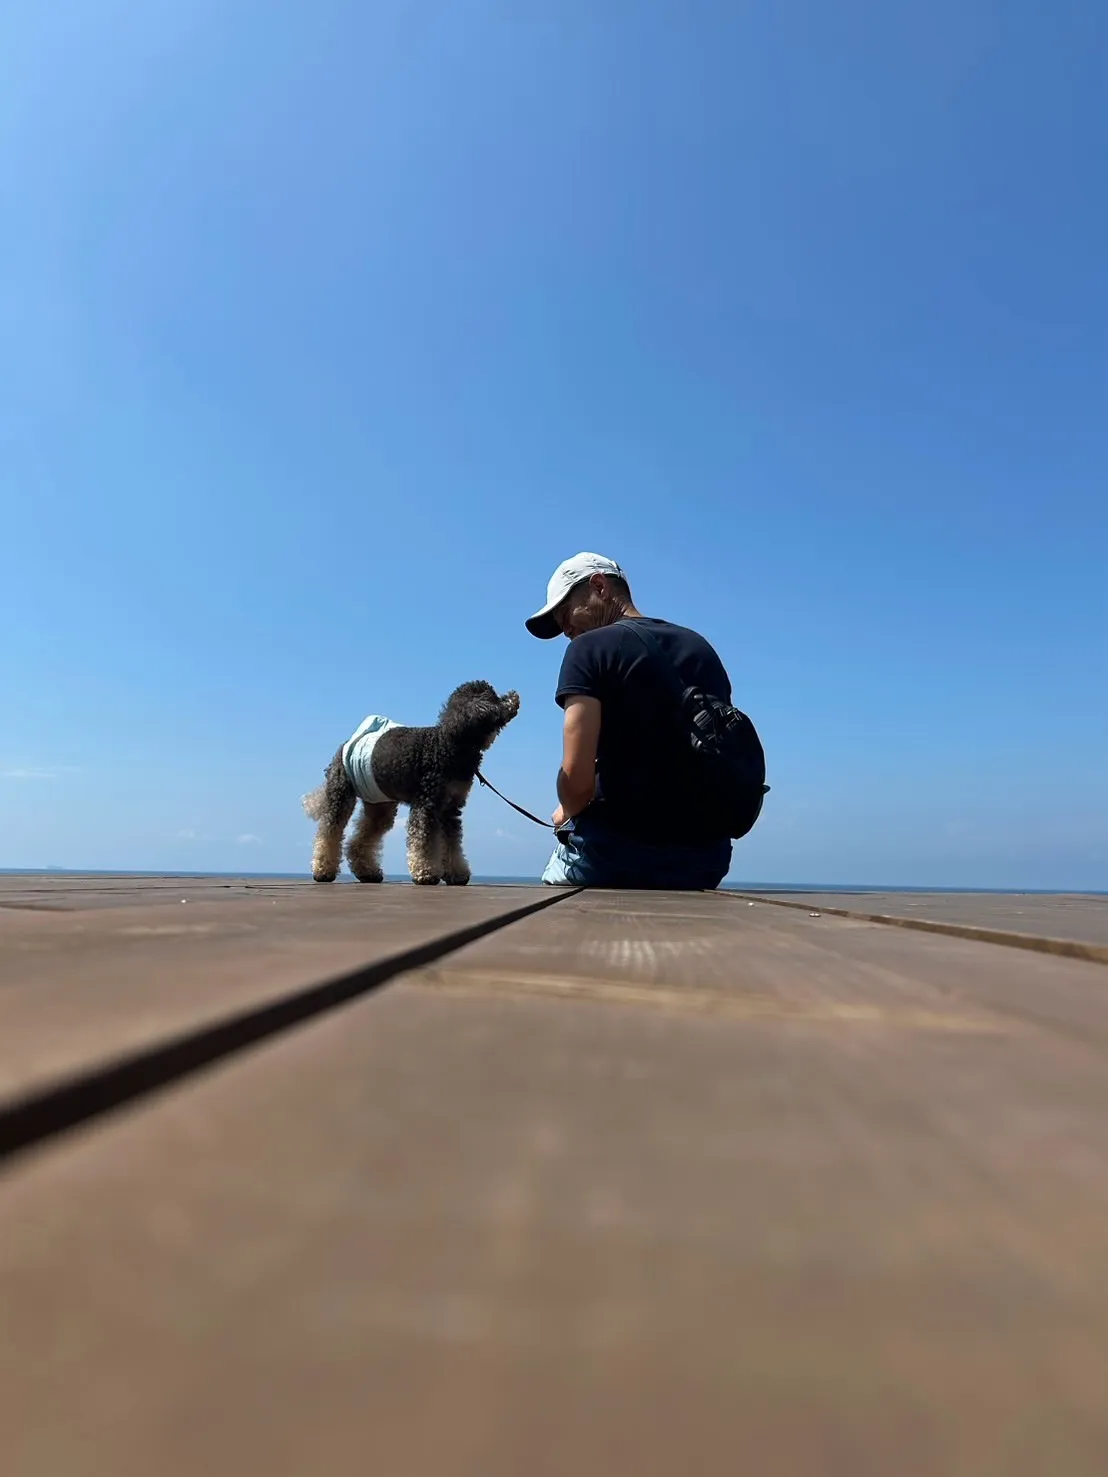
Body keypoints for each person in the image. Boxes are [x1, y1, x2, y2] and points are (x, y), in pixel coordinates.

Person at [526, 553, 734, 889]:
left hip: (612, 857)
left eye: (565, 613)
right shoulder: (701, 648)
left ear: (599, 586)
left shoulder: (588, 650)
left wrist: (567, 805)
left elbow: (576, 782)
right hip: (704, 862)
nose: (565, 629)